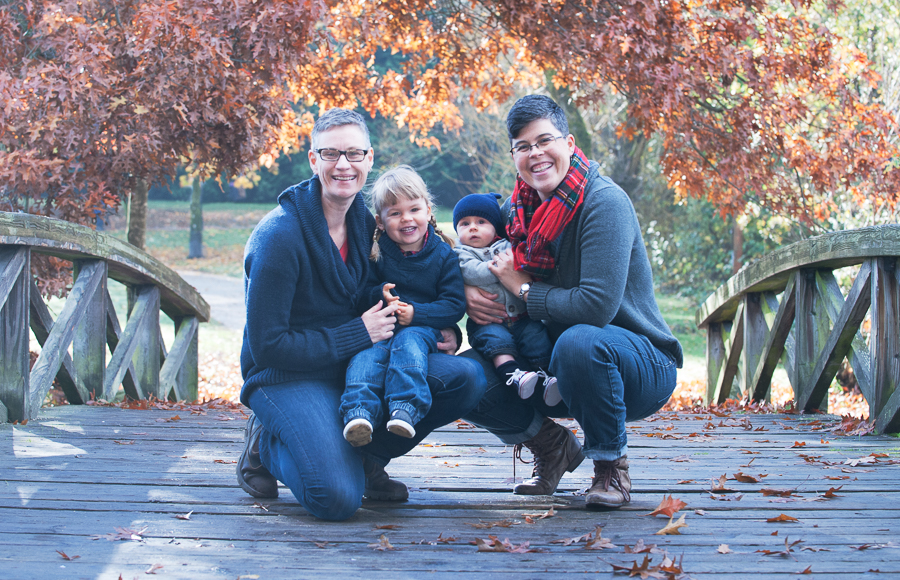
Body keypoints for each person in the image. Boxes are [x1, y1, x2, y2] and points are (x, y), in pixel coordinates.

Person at [236, 109, 485, 521]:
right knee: (334, 499)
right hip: (286, 377)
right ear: (313, 160)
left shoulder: (366, 226)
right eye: (331, 153)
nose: (343, 165)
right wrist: (360, 333)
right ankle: (267, 441)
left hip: (353, 365)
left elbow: (405, 280)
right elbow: (267, 347)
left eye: (354, 153)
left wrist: (434, 323)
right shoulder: (279, 238)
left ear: (369, 159)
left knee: (466, 377)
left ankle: (367, 460)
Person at [462, 95, 683, 509]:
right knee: (461, 374)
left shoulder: (604, 203)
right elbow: (465, 246)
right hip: (550, 364)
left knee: (580, 340)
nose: (535, 154)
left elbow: (594, 307)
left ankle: (610, 465)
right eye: (523, 147)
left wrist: (521, 287)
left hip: (636, 362)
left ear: (569, 141)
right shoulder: (514, 211)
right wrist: (467, 291)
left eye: (544, 141)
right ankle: (550, 446)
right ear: (514, 156)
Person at [341, 165, 466, 446]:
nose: (406, 219)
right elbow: (360, 294)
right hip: (382, 326)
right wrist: (379, 294)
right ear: (381, 222)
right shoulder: (377, 253)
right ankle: (358, 413)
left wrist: (417, 314)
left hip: (420, 328)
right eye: (395, 213)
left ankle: (405, 408)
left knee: (408, 346)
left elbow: (454, 305)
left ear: (428, 211)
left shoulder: (443, 255)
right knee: (365, 357)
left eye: (413, 210)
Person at [452, 192, 560, 406]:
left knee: (536, 338)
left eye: (481, 222)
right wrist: (503, 269)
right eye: (465, 224)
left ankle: (548, 377)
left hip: (522, 317)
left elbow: (519, 261)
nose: (473, 227)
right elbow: (471, 272)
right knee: (497, 343)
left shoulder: (505, 246)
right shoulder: (460, 253)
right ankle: (513, 376)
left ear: (495, 227)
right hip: (489, 322)